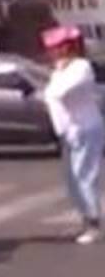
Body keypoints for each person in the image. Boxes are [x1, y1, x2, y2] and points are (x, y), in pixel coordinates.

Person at [42, 26, 105, 245]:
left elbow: (58, 93)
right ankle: (85, 219)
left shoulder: (81, 67)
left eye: (53, 48)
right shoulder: (60, 70)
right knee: (72, 180)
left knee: (84, 176)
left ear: (66, 48)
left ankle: (93, 223)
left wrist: (58, 74)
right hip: (70, 131)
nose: (50, 53)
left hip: (86, 128)